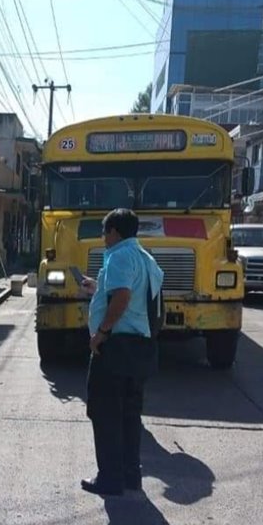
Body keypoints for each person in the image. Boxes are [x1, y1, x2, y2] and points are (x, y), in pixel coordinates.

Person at [79, 208, 164, 496]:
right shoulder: (147, 259)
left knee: (104, 413)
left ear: (114, 231)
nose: (104, 238)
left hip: (115, 346)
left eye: (105, 232)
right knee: (130, 414)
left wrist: (101, 332)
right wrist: (98, 287)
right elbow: (140, 299)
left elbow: (124, 297)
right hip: (139, 346)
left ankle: (110, 479)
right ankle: (130, 475)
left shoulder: (119, 256)